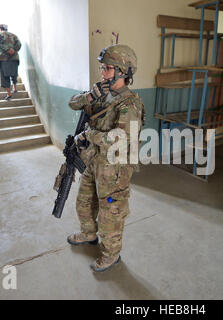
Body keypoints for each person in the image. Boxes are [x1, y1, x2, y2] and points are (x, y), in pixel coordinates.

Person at [67, 44, 145, 272]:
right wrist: (90, 95)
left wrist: (89, 135)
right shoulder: (101, 93)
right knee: (84, 200)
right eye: (102, 68)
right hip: (94, 160)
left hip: (114, 167)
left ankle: (111, 255)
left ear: (123, 72)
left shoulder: (130, 104)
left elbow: (121, 138)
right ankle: (89, 234)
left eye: (108, 68)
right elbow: (73, 103)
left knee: (110, 211)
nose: (102, 72)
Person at [0, 24, 21, 100]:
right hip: (14, 57)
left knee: (5, 76)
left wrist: (7, 49)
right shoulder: (14, 35)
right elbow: (19, 44)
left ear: (0, 28)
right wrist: (13, 50)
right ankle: (15, 88)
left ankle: (9, 94)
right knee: (14, 73)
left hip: (3, 58)